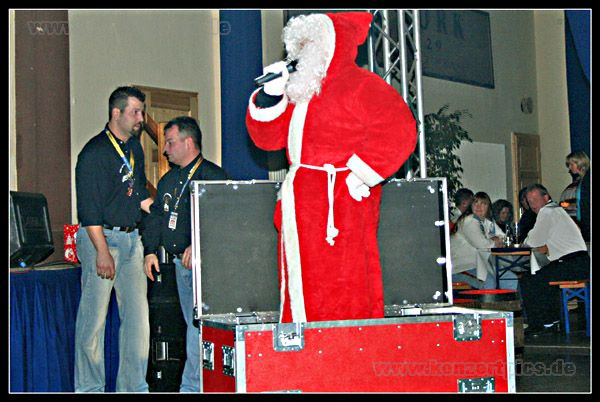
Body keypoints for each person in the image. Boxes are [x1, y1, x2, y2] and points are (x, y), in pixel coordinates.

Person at [246, 12, 417, 323]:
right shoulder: (300, 92)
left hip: (339, 205)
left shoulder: (361, 85)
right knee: (300, 282)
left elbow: (400, 129)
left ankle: (348, 345)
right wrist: (271, 96)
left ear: (331, 46)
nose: (300, 54)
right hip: (301, 203)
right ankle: (303, 342)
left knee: (345, 282)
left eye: (308, 45)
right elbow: (267, 140)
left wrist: (361, 173)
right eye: (299, 46)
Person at [74, 86, 153, 392]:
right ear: (116, 113)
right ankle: (89, 388)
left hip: (132, 241)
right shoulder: (94, 153)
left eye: (141, 112)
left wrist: (164, 214)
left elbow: (139, 194)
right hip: (101, 238)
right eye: (135, 112)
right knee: (93, 323)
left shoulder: (135, 149)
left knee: (137, 322)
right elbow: (89, 211)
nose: (141, 118)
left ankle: (133, 387)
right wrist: (102, 252)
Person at [142, 116, 228, 392]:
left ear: (188, 142)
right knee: (192, 327)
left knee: (203, 327)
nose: (165, 149)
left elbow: (226, 220)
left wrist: (199, 243)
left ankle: (195, 386)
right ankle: (192, 385)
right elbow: (157, 217)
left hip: (208, 267)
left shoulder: (213, 176)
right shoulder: (169, 181)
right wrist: (150, 251)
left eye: (170, 142)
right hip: (181, 266)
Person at [520, 183, 590, 335]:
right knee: (543, 276)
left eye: (535, 199)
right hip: (581, 262)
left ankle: (539, 324)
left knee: (528, 281)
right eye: (529, 201)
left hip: (572, 263)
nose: (532, 204)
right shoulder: (557, 210)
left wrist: (525, 241)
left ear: (546, 197)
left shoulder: (547, 212)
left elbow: (534, 241)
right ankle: (551, 321)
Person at [450, 191, 518, 290]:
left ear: (488, 207)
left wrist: (495, 240)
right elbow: (483, 246)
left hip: (482, 265)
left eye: (483, 203)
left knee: (509, 278)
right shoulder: (468, 221)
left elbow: (504, 237)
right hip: (463, 267)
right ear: (471, 205)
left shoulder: (487, 222)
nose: (479, 206)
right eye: (476, 202)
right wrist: (494, 241)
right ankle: (488, 301)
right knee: (489, 282)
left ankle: (508, 300)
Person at [559, 151, 590, 242]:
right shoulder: (581, 181)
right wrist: (568, 205)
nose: (569, 167)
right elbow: (580, 204)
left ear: (579, 163)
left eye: (571, 164)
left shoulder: (587, 181)